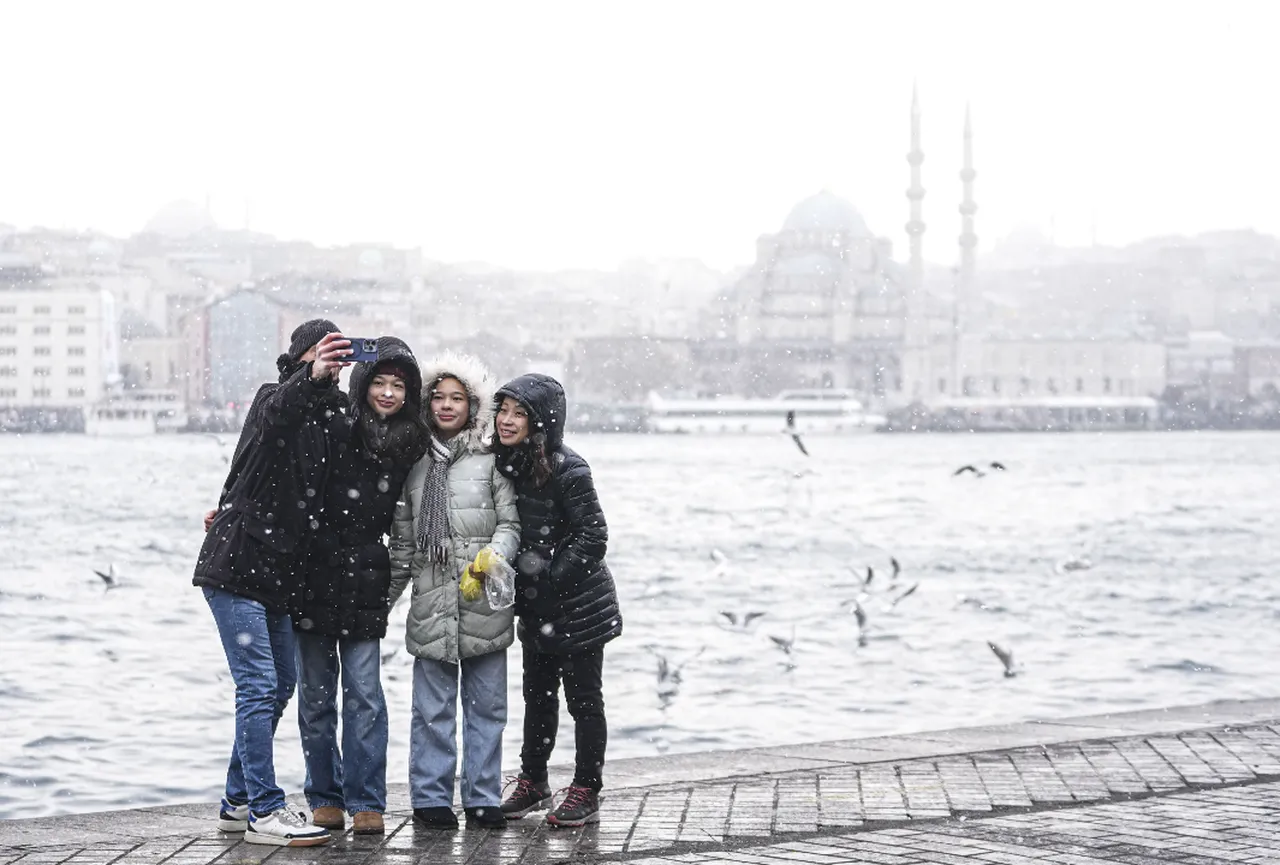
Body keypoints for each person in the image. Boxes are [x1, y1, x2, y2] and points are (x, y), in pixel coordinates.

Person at [193, 319, 348, 847]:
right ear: (303, 356)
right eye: (323, 354)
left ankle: (236, 802)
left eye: (339, 357)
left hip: (277, 575)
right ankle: (265, 808)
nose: (333, 365)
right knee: (258, 687)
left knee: (281, 684)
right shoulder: (272, 400)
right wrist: (313, 376)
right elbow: (281, 412)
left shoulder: (331, 418)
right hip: (237, 564)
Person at [292, 337, 430, 836]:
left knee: (366, 694)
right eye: (380, 382)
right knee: (316, 696)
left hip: (368, 573)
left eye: (398, 385)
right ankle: (324, 795)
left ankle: (367, 799)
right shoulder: (336, 424)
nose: (388, 393)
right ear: (363, 384)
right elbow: (288, 471)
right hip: (314, 571)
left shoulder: (411, 441)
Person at [387, 353, 520, 831]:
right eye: (438, 397)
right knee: (431, 710)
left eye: (456, 398)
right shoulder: (412, 462)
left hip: (482, 599)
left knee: (487, 708)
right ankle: (430, 798)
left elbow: (510, 523)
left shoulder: (491, 462)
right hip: (431, 599)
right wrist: (383, 600)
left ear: (473, 405)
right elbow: (403, 540)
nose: (446, 406)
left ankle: (483, 797)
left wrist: (492, 556)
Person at [492, 373, 622, 828]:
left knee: (584, 700)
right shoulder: (508, 462)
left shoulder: (569, 468)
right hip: (536, 607)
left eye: (518, 413)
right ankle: (534, 781)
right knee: (537, 697)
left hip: (580, 607)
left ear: (541, 421)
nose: (506, 420)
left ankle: (587, 788)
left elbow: (594, 536)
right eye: (502, 410)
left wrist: (550, 584)